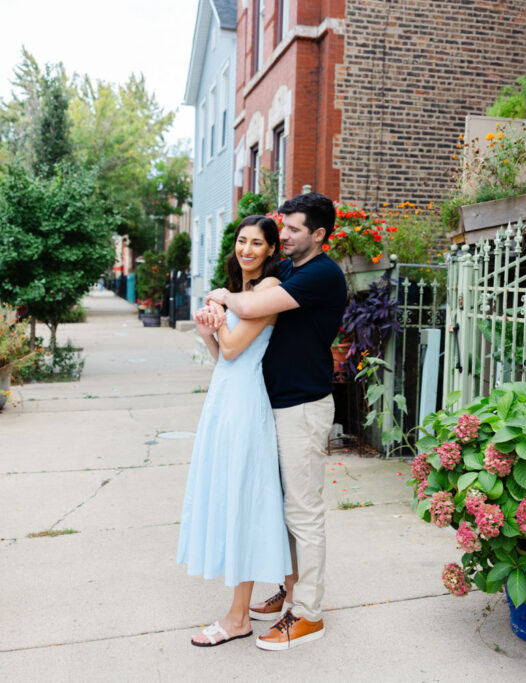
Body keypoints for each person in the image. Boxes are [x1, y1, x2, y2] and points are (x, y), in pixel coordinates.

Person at [206, 192, 347, 651]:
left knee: (303, 513)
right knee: (281, 510)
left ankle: (308, 615)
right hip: (274, 403)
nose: (282, 235)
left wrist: (222, 296)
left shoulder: (323, 274)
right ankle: (290, 593)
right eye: (281, 227)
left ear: (320, 235)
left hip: (302, 406)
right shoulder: (290, 268)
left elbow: (248, 307)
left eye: (293, 230)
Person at [177, 215, 293, 647]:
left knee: (243, 500)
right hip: (224, 397)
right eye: (242, 241)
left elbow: (234, 346)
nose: (247, 249)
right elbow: (221, 355)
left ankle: (238, 617)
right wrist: (206, 327)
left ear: (270, 251)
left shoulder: (266, 292)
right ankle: (249, 607)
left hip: (245, 403)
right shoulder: (243, 293)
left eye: (257, 243)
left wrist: (219, 318)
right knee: (229, 495)